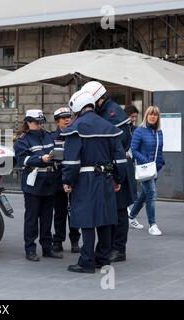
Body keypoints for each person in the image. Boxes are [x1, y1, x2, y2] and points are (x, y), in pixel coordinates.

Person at [62, 90, 127, 273]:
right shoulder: (108, 126)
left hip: (85, 179)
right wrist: (118, 178)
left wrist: (67, 180)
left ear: (77, 107)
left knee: (87, 219)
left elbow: (71, 161)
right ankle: (103, 259)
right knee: (105, 219)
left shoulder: (77, 127)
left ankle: (87, 261)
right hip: (106, 178)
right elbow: (121, 159)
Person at [81, 81, 136, 263]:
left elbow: (117, 143)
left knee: (119, 209)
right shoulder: (105, 111)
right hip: (112, 167)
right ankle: (110, 246)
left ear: (97, 98)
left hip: (118, 166)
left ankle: (119, 249)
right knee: (112, 209)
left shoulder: (112, 113)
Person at [14, 109, 63, 262]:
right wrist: (41, 158)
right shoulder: (23, 140)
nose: (40, 125)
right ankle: (30, 249)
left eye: (42, 122)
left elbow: (56, 152)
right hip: (33, 182)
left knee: (47, 217)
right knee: (32, 218)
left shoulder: (48, 136)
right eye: (37, 122)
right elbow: (23, 161)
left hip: (49, 180)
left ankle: (47, 248)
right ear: (28, 122)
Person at [128, 106, 165, 236]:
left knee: (144, 195)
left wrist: (161, 162)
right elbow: (134, 149)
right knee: (152, 194)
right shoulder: (140, 131)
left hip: (154, 169)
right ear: (146, 116)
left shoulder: (159, 132)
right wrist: (146, 162)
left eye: (155, 114)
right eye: (150, 114)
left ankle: (131, 217)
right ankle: (152, 225)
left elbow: (159, 149)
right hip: (144, 169)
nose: (153, 116)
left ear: (158, 117)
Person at [51, 107, 81, 253]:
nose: (68, 120)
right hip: (58, 178)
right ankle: (58, 240)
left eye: (69, 117)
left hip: (74, 178)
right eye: (64, 118)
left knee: (74, 212)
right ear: (57, 122)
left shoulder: (75, 135)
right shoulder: (52, 137)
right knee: (59, 212)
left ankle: (75, 241)